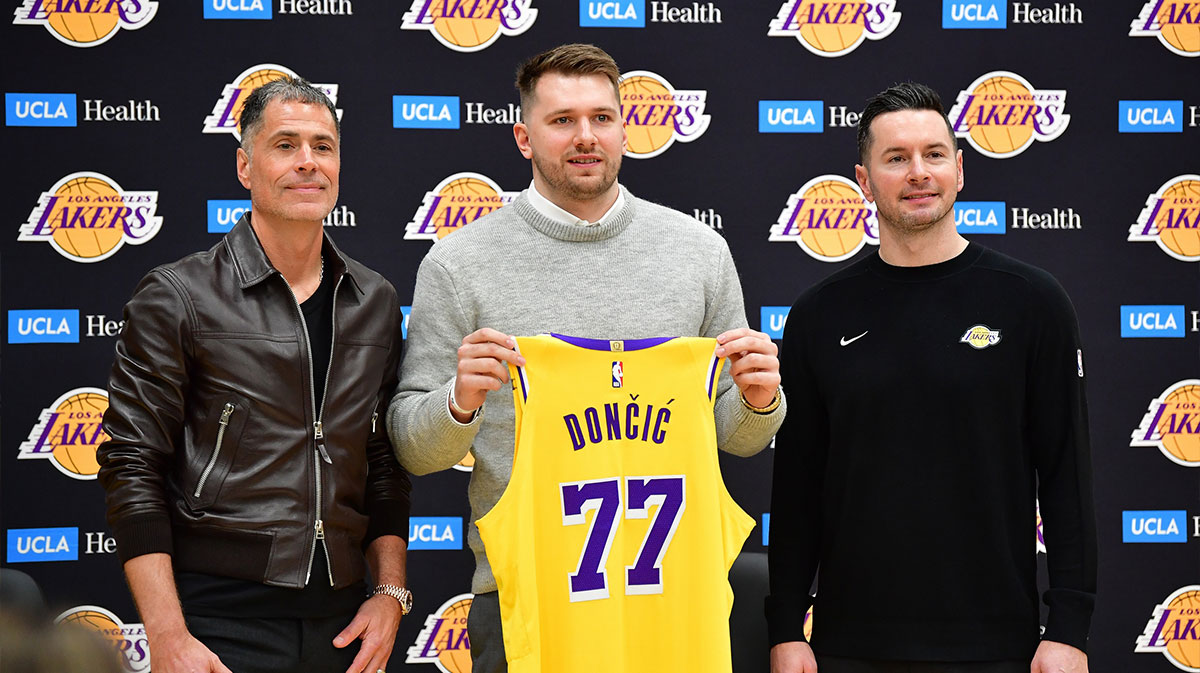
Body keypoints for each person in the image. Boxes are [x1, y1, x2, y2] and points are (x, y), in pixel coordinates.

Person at [387, 43, 785, 672]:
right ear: (524, 137)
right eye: (562, 120)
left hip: (672, 600)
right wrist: (459, 403)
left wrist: (761, 401)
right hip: (528, 598)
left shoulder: (698, 252)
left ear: (625, 128)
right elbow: (412, 447)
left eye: (602, 118)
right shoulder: (460, 264)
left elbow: (735, 437)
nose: (585, 137)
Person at [766, 82, 1097, 673]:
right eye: (896, 159)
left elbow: (1067, 474)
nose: (918, 172)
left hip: (997, 647)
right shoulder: (819, 314)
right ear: (864, 181)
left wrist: (1069, 628)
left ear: (960, 170)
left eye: (934, 154)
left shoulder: (1032, 301)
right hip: (850, 646)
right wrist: (787, 628)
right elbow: (797, 487)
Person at [97, 76, 412, 673]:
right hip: (218, 626)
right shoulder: (179, 295)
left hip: (342, 628)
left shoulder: (374, 299)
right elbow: (131, 464)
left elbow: (384, 460)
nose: (307, 163)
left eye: (323, 146)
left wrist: (390, 594)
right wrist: (166, 635)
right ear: (245, 166)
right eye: (285, 145)